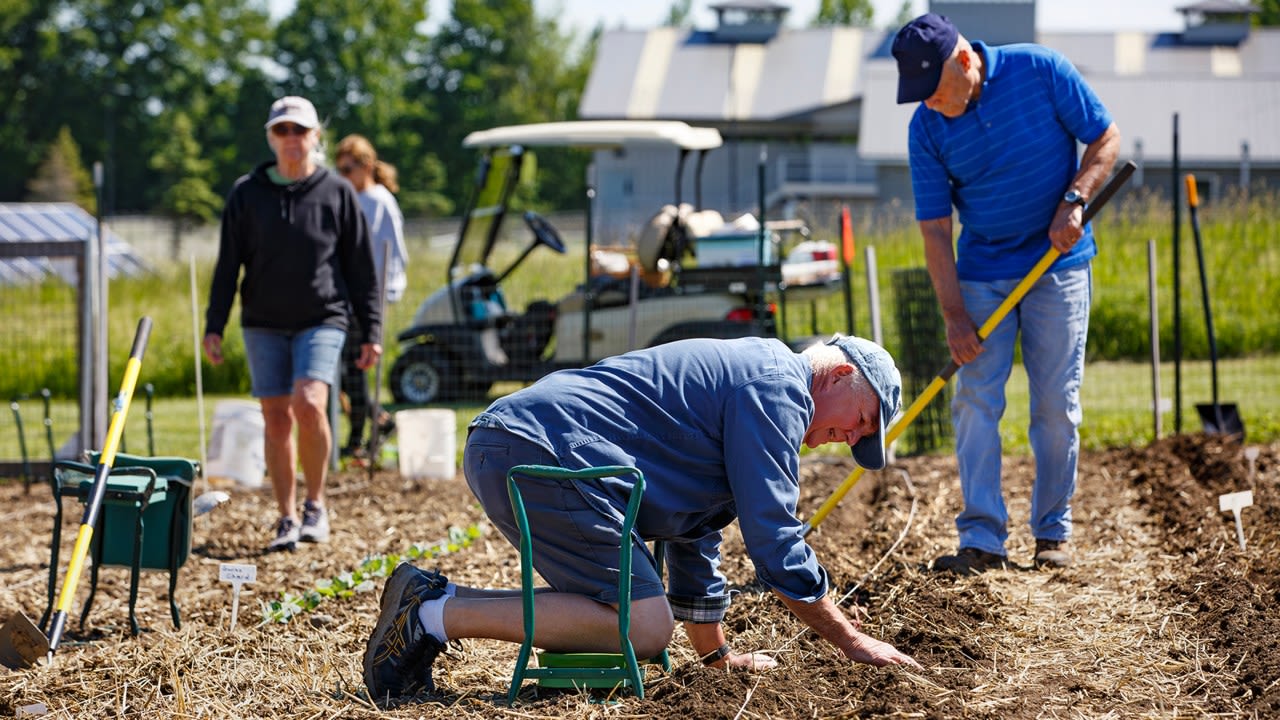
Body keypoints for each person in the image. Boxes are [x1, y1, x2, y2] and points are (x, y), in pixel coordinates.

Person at [362, 335, 921, 701]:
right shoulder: (778, 389)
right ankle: (431, 616)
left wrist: (717, 657)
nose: (848, 439)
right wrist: (852, 642)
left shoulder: (763, 381)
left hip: (520, 443)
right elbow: (774, 540)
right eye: (862, 421)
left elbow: (696, 533)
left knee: (640, 617)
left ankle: (430, 597)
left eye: (861, 440)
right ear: (840, 373)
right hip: (542, 451)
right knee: (645, 627)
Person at [891, 14, 1120, 573]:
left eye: (936, 94)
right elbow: (936, 230)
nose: (930, 106)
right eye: (920, 97)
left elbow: (1105, 139)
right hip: (983, 271)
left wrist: (1076, 199)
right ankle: (982, 539)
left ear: (965, 62)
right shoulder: (926, 127)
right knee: (974, 401)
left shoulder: (1039, 71)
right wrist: (953, 315)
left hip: (1057, 265)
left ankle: (1052, 534)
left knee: (1054, 406)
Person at [204, 96, 382, 552]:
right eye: (282, 130)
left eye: (300, 131)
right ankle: (285, 515)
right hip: (263, 321)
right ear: (271, 137)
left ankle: (316, 505)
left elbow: (361, 269)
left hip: (322, 317)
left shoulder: (336, 192)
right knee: (276, 418)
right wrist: (214, 324)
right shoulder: (247, 193)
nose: (291, 139)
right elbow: (228, 266)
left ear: (315, 136)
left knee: (309, 402)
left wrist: (372, 331)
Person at [334, 134, 408, 461]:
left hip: (365, 300)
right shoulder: (353, 198)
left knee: (354, 368)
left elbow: (393, 253)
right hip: (346, 298)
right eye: (339, 170)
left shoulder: (377, 201)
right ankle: (378, 422)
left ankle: (357, 439)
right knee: (346, 370)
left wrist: (382, 296)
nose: (343, 176)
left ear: (365, 166)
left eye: (348, 169)